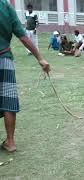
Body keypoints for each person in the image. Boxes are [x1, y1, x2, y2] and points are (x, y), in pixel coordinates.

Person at [0, 0, 50, 152]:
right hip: (4, 59)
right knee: (9, 100)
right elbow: (22, 36)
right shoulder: (5, 6)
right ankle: (10, 141)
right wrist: (40, 58)